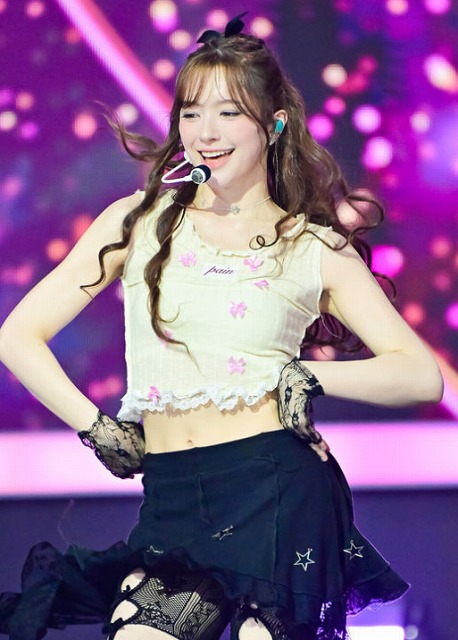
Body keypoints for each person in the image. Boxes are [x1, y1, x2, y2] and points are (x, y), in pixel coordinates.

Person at [0, 13, 443, 640]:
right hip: (174, 500)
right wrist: (96, 427)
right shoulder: (137, 223)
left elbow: (420, 376)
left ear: (274, 124)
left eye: (229, 112)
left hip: (278, 492)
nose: (205, 132)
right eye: (191, 113)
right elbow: (17, 335)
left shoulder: (310, 246)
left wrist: (305, 375)